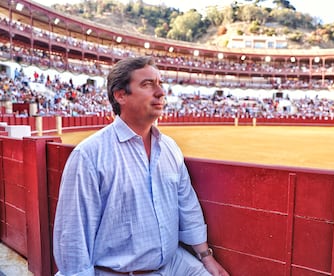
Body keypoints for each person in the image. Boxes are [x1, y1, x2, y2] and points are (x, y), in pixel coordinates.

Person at [53, 56, 230, 276]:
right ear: (120, 95)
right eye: (147, 84)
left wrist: (206, 258)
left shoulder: (170, 148)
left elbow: (187, 205)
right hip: (116, 272)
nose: (160, 92)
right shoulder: (90, 155)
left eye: (160, 84)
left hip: (173, 264)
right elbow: (73, 236)